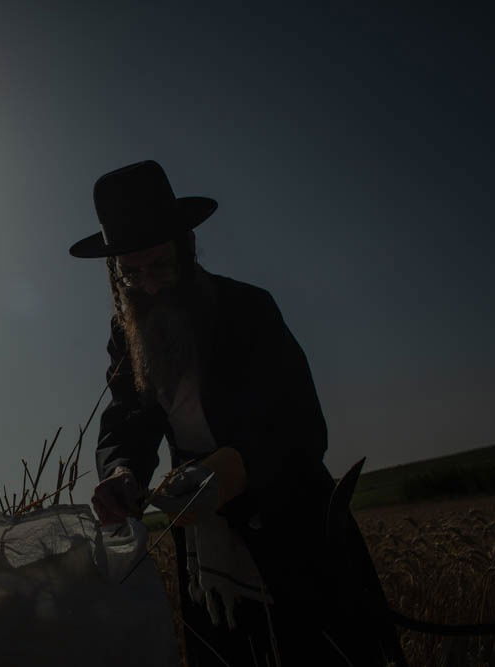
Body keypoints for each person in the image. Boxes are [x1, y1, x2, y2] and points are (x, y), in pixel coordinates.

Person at [70, 160, 406, 666]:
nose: (149, 285)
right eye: (130, 273)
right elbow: (127, 418)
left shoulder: (248, 309)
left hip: (291, 523)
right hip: (204, 544)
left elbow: (302, 426)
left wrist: (227, 470)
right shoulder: (125, 333)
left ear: (186, 248)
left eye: (160, 265)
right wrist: (120, 472)